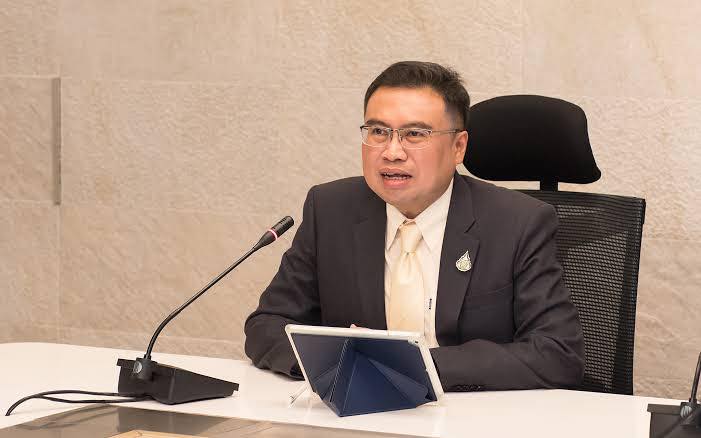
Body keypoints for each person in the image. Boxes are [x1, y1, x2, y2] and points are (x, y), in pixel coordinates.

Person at [244, 61, 584, 391]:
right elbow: (266, 325)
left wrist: (414, 365)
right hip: (356, 413)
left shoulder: (518, 223)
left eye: (415, 134)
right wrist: (333, 361)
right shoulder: (330, 210)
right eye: (378, 132)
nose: (392, 152)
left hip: (470, 414)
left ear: (458, 147)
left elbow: (557, 352)